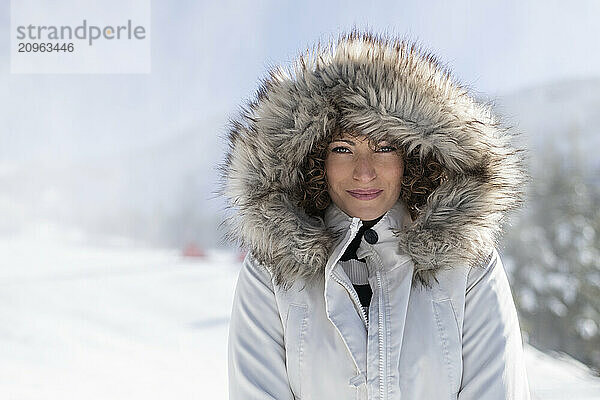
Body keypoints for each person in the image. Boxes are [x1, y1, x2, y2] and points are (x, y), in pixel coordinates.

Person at [218, 29, 532, 400]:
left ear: (413, 158)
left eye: (383, 147)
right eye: (343, 148)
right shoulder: (272, 270)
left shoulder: (468, 264)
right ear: (315, 159)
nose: (364, 172)